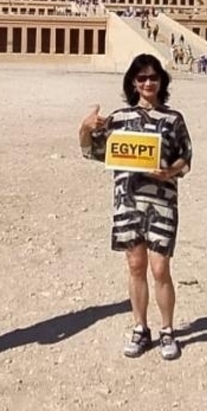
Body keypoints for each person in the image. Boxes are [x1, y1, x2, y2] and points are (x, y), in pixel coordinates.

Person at [78, 54, 193, 361]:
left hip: (162, 201)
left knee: (160, 268)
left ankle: (167, 330)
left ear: (161, 82)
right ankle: (140, 328)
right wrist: (85, 128)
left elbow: (186, 157)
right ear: (133, 82)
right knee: (135, 265)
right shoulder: (118, 119)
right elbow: (92, 152)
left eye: (153, 78)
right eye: (141, 78)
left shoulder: (173, 119)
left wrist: (169, 172)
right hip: (128, 201)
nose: (147, 83)